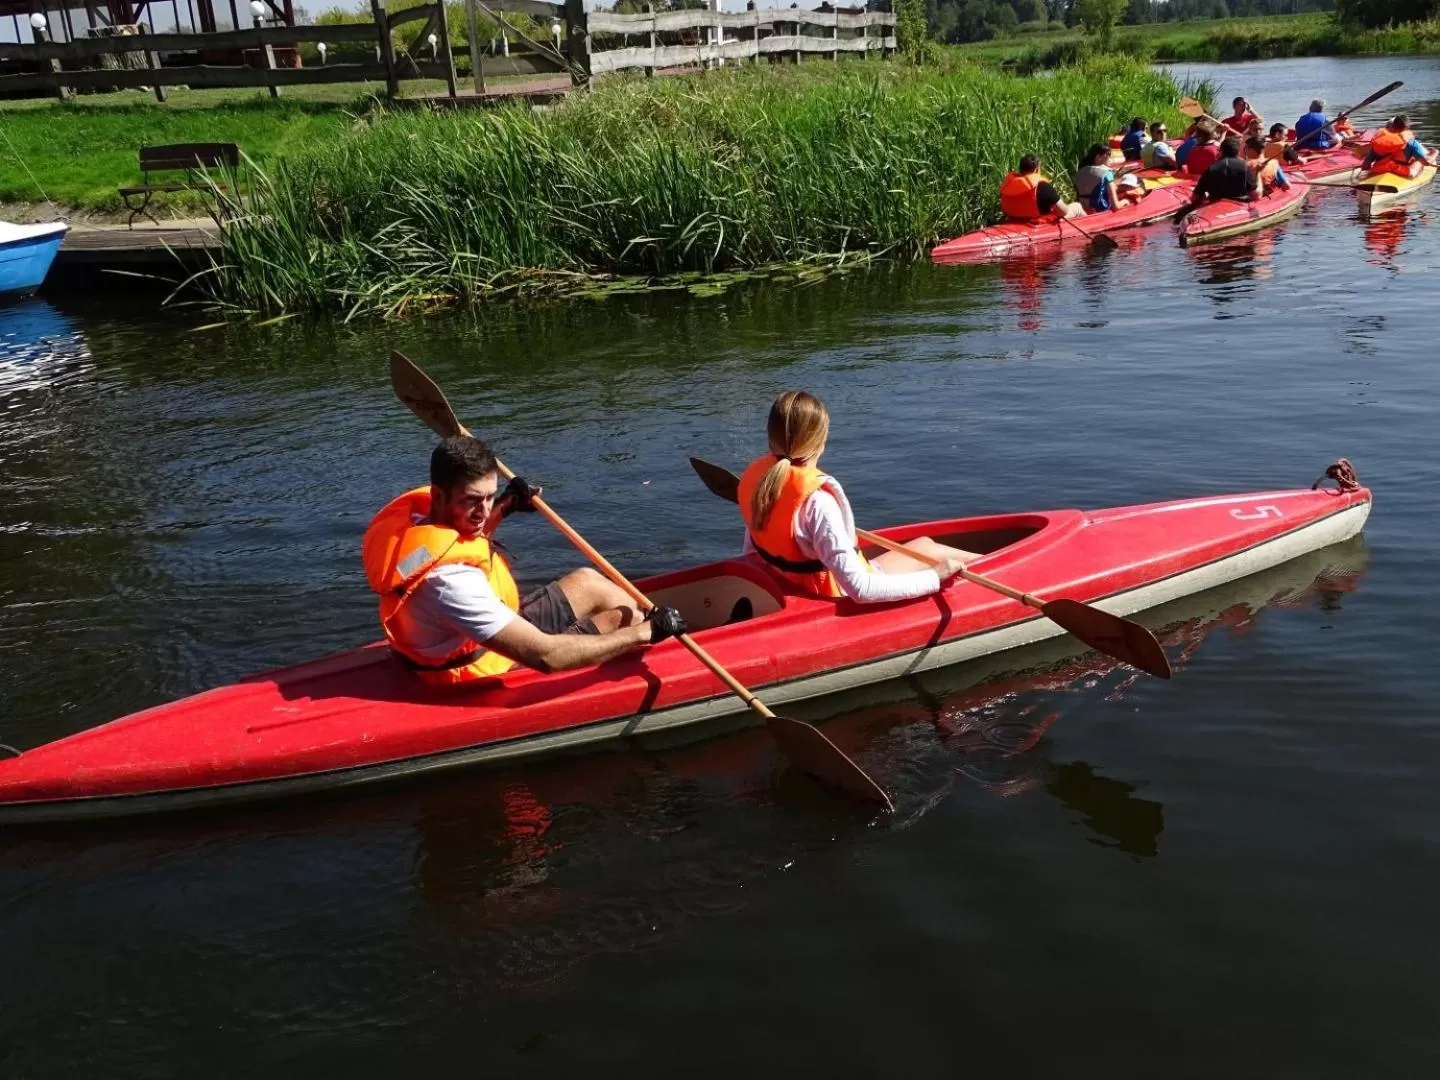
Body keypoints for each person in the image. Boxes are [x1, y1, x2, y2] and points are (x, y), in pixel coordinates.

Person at [362, 435, 686, 683]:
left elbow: (457, 538)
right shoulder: (450, 583)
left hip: (467, 635)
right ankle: (670, 653)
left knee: (588, 580)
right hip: (479, 666)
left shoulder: (416, 522)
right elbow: (546, 656)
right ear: (438, 495)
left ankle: (669, 632)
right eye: (472, 500)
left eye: (489, 497)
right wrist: (645, 633)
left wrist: (507, 505)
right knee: (623, 618)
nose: (483, 510)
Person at [738, 391, 975, 603]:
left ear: (771, 438)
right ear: (821, 442)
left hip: (790, 581)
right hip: (831, 593)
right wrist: (936, 576)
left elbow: (751, 552)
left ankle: (1001, 563)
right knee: (933, 553)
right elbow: (861, 590)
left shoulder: (761, 483)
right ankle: (1005, 569)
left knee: (925, 544)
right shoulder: (818, 504)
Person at [999, 154, 1084, 220]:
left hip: (1014, 219)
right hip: (1036, 221)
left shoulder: (1009, 184)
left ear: (1021, 170)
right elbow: (1064, 212)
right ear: (1036, 170)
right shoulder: (1043, 186)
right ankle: (1091, 228)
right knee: (1077, 206)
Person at [1362, 113, 1438, 177]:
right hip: (1400, 171)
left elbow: (1365, 165)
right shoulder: (1412, 143)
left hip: (1379, 169)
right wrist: (1435, 152)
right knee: (1418, 161)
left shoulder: (1379, 141)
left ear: (1392, 126)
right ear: (1408, 128)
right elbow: (1427, 163)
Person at [1192, 137, 1260, 205]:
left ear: (1221, 151)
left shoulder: (1212, 168)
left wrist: (1203, 198)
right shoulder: (1244, 167)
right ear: (1238, 152)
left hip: (1214, 208)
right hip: (1238, 209)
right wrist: (1258, 173)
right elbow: (1256, 195)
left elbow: (1194, 198)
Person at [1074, 143, 1129, 213]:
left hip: (1082, 210)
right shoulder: (1107, 173)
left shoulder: (1080, 172)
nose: (1110, 158)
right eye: (1108, 154)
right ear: (1098, 157)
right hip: (1100, 211)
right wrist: (1126, 201)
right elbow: (1116, 206)